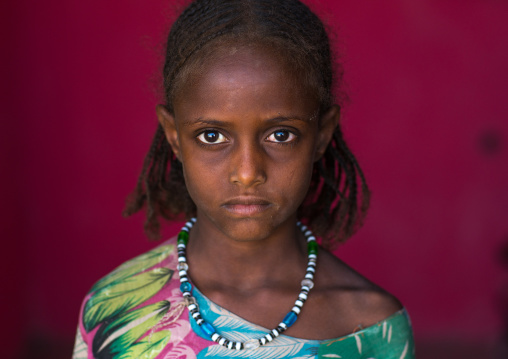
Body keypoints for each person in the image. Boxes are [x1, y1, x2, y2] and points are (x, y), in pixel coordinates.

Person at [72, 0, 415, 358]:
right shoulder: (116, 311)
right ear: (174, 136)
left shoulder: (372, 327)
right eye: (211, 136)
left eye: (281, 135)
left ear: (322, 136)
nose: (248, 172)